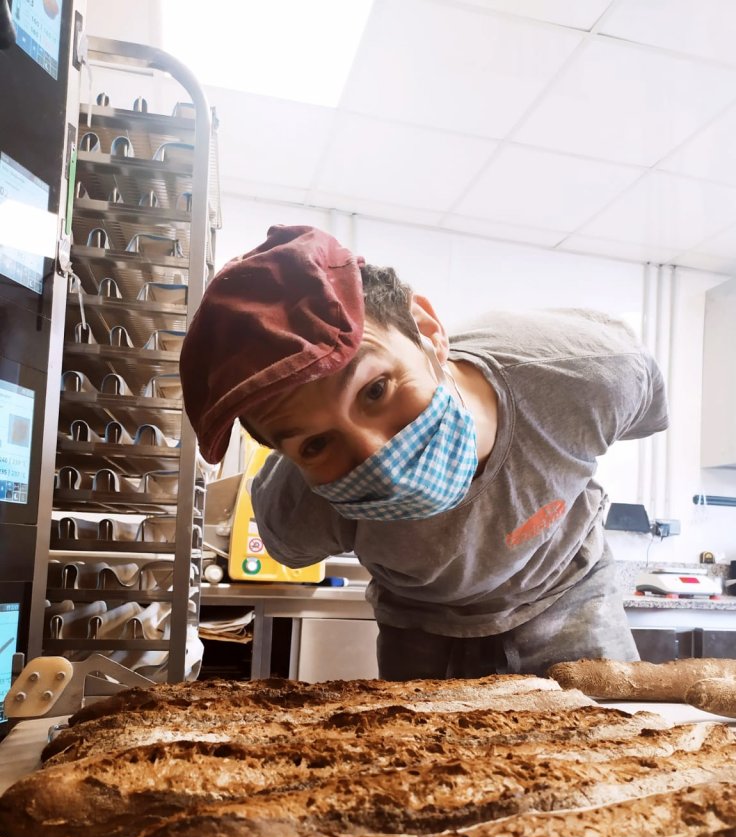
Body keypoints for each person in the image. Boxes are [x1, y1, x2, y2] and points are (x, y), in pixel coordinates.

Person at [180, 224, 669, 681]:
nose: (377, 457)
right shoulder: (296, 508)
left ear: (428, 332)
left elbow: (648, 408)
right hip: (422, 626)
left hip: (572, 594)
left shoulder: (586, 375)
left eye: (375, 390)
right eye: (316, 443)